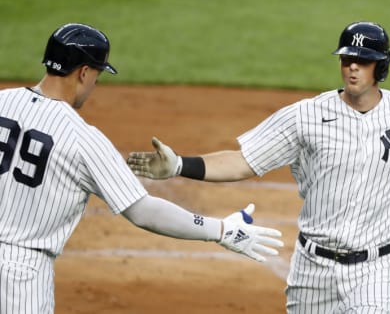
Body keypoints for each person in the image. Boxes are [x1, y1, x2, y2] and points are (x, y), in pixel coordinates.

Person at [127, 21, 390, 313]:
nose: (352, 68)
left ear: (381, 67)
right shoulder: (304, 116)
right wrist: (179, 165)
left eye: (363, 61)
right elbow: (244, 161)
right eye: (348, 59)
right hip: (312, 269)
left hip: (378, 267)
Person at [0, 23, 284, 313]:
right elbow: (143, 211)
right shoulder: (82, 138)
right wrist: (221, 230)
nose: (95, 84)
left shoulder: (2, 101)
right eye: (97, 75)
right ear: (84, 72)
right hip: (19, 279)